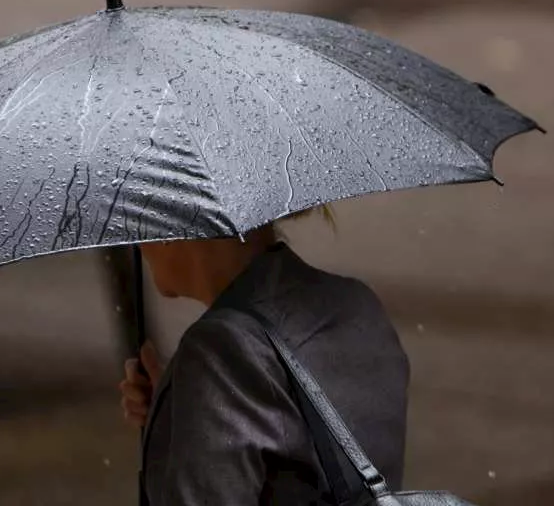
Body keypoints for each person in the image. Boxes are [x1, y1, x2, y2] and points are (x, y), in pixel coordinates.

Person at [118, 206, 410, 505]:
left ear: (169, 218)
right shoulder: (356, 304)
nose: (134, 242)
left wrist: (197, 396)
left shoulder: (220, 348)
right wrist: (180, 408)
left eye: (137, 217)